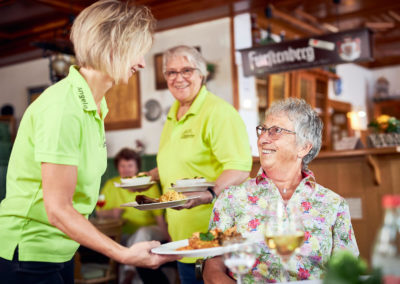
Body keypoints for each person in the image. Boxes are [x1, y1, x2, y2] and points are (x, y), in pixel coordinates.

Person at [0, 1, 178, 283]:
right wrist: (124, 254)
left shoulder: (95, 107)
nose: (142, 63)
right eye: (137, 52)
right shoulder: (63, 106)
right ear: (112, 47)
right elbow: (58, 209)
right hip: (29, 252)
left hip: (62, 249)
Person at [203, 98, 359, 283]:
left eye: (276, 131)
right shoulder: (231, 198)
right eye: (263, 130)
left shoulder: (334, 204)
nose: (262, 139)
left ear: (303, 147)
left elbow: (347, 272)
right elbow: (211, 269)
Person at [147, 45, 253, 284]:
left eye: (187, 70)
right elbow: (179, 161)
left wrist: (210, 193)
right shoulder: (174, 113)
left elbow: (239, 167)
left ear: (201, 73)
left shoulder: (219, 112)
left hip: (216, 238)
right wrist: (150, 176)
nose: (179, 78)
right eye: (171, 72)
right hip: (184, 239)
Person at [96, 148, 170, 284]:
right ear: (117, 167)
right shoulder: (111, 185)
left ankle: (128, 273)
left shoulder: (147, 185)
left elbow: (159, 217)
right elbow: (99, 212)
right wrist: (112, 213)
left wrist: (169, 237)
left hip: (151, 230)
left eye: (130, 165)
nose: (126, 169)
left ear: (137, 168)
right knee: (130, 242)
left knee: (141, 235)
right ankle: (132, 276)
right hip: (122, 234)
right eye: (122, 166)